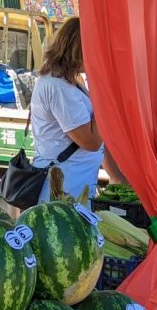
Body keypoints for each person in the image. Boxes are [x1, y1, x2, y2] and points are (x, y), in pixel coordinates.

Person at [30, 17, 114, 202]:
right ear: (78, 50)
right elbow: (91, 142)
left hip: (72, 180)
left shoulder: (69, 81)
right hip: (65, 184)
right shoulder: (58, 87)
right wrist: (105, 99)